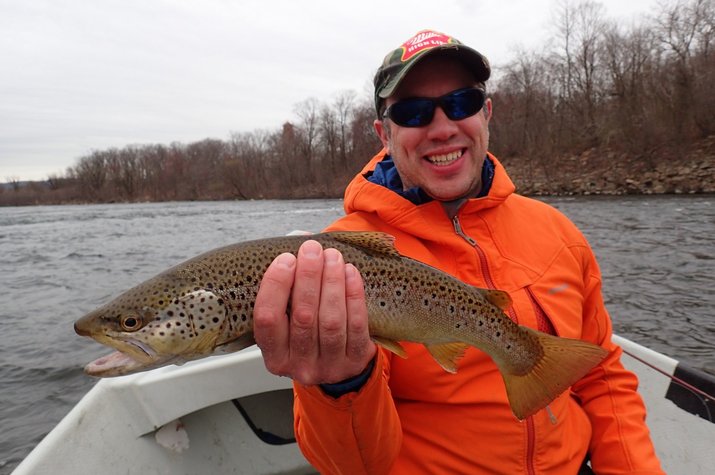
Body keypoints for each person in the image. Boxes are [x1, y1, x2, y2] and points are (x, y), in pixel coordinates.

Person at [253, 30, 664, 474]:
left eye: (461, 103)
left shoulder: (557, 230)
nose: (443, 127)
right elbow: (353, 465)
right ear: (384, 134)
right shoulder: (337, 262)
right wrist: (341, 385)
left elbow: (602, 379)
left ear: (486, 113)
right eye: (413, 112)